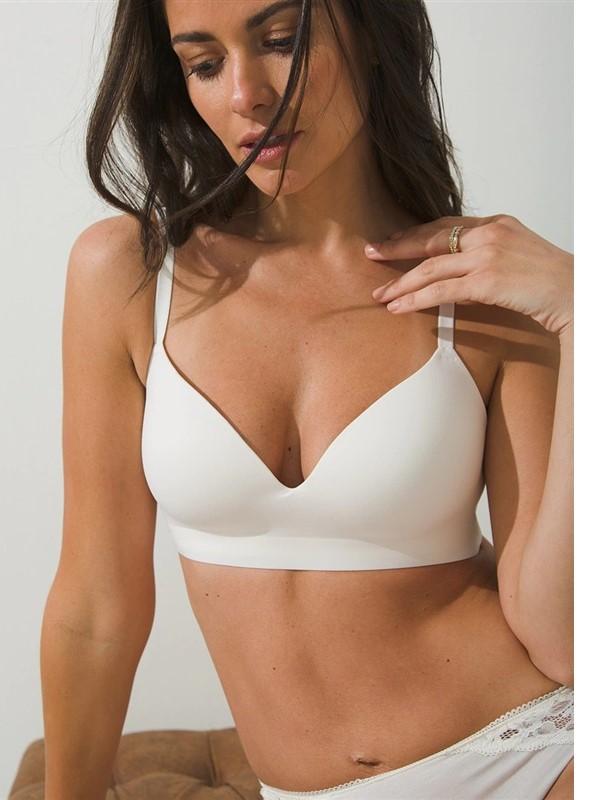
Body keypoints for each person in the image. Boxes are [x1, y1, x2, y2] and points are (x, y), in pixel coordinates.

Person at [40, 1, 574, 798]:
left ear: (372, 32)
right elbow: (95, 607)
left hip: (536, 760)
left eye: (283, 41)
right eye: (204, 64)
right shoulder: (130, 276)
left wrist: (584, 315)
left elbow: (562, 636)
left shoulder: (477, 285)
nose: (247, 94)